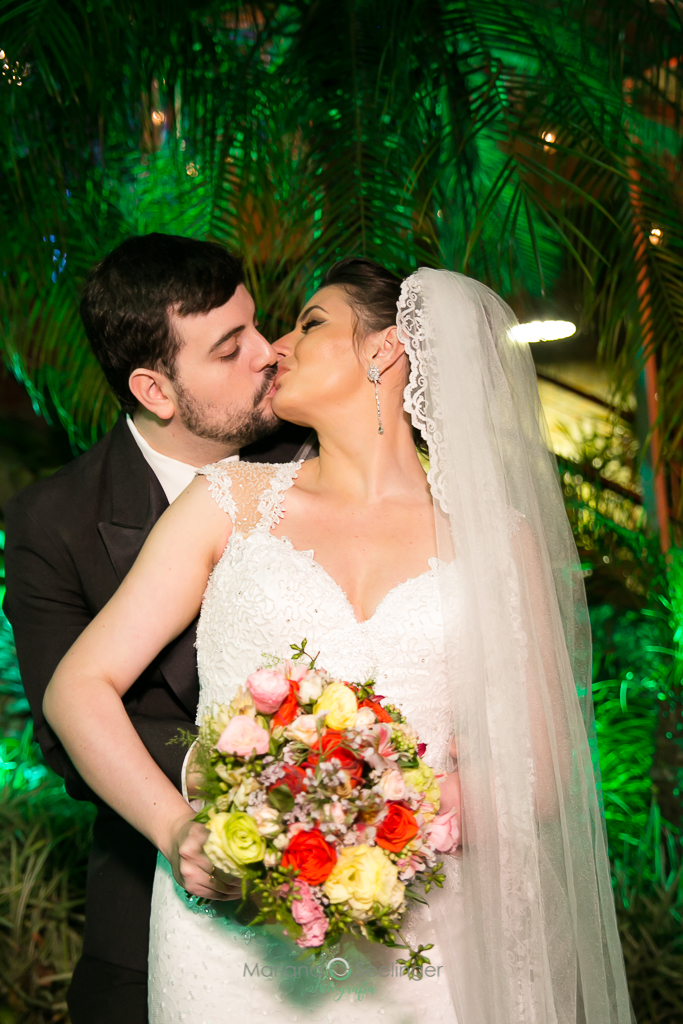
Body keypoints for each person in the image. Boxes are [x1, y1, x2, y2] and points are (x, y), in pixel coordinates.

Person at [41, 258, 633, 1023]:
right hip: (233, 943)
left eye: (310, 323)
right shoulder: (226, 503)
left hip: (423, 936)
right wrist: (175, 826)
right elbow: (77, 688)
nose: (277, 347)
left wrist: (401, 809)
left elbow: (543, 767)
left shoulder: (496, 537)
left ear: (385, 348)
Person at [3, 233, 309, 1023]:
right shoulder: (56, 520)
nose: (268, 353)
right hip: (152, 907)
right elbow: (64, 731)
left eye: (257, 325)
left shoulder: (316, 456)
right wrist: (246, 785)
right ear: (155, 390)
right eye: (229, 349)